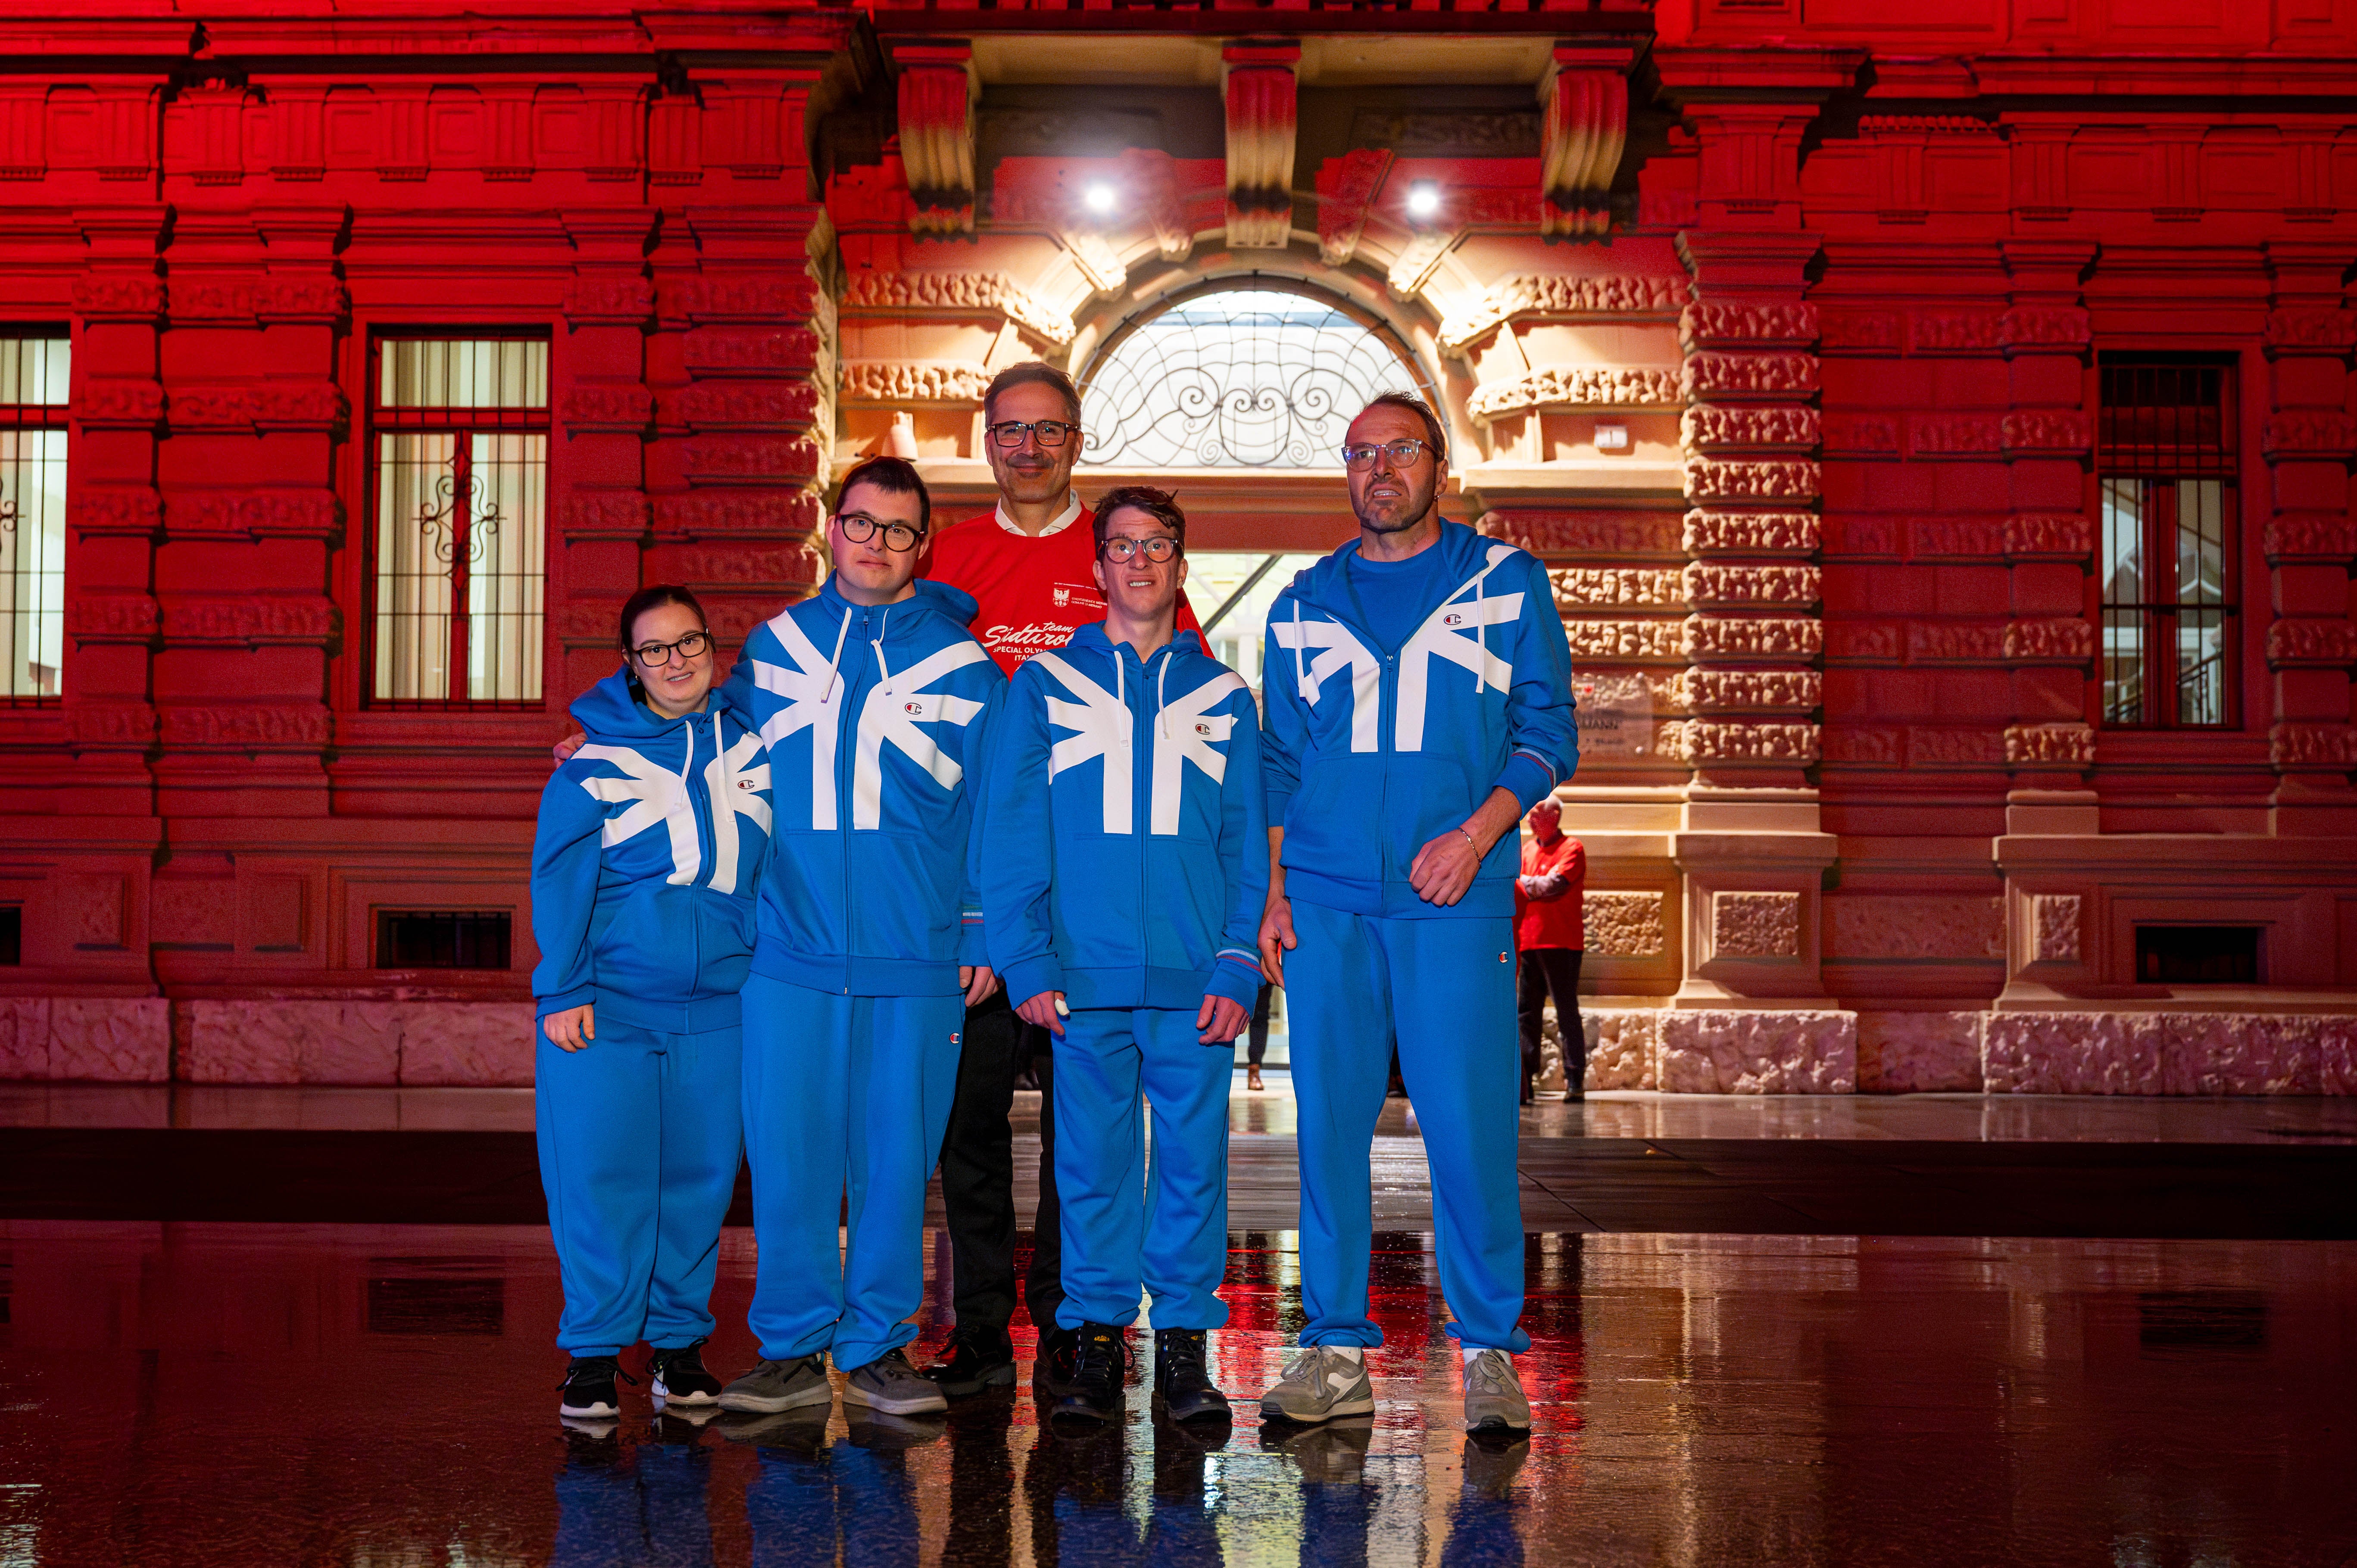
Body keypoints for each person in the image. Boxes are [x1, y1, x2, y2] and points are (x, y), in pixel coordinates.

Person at [1255, 393, 1578, 1434]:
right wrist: (1269, 891)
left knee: (1470, 1126)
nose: (1379, 468)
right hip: (1327, 900)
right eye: (1360, 453)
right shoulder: (1300, 604)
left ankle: (1486, 1351)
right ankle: (1335, 1345)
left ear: (1438, 463)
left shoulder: (1505, 583)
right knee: (1328, 1131)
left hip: (1453, 899)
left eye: (1399, 449)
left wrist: (1478, 833)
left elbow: (1549, 730)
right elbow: (1275, 763)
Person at [916, 363, 1199, 1402]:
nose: (1027, 447)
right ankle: (983, 1330)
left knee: (1094, 1130)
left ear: (1077, 439)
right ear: (985, 438)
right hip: (980, 898)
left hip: (1098, 914)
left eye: (1048, 430)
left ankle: (1078, 1320)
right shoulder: (941, 557)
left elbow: (1198, 718)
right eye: (1009, 430)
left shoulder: (1121, 557)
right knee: (971, 1123)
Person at [710, 455, 1006, 1420]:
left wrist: (981, 926)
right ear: (831, 529)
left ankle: (877, 1345)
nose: (876, 543)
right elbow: (703, 747)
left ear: (923, 544)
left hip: (915, 955)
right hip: (787, 953)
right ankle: (792, 1349)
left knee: (895, 1157)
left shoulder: (966, 665)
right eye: (860, 523)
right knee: (790, 1155)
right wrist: (610, 733)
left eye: (898, 530)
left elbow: (997, 810)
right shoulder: (774, 648)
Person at [981, 485, 1265, 1425]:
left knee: (1193, 1168)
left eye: (1158, 546)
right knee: (1091, 1168)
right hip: (1083, 980)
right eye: (1121, 546)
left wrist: (1235, 964)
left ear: (1181, 568)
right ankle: (1098, 1340)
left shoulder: (1225, 695)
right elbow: (1013, 832)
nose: (1139, 560)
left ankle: (1185, 1348)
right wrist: (1025, 958)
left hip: (1195, 986)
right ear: (1096, 567)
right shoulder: (1044, 687)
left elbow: (1242, 842)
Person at [531, 585, 773, 1421]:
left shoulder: (758, 747)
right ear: (629, 664)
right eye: (654, 649)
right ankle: (594, 1359)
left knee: (698, 1186)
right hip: (609, 1006)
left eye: (689, 643)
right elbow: (560, 878)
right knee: (602, 1180)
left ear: (714, 648)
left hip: (724, 1005)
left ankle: (677, 1349)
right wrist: (562, 987)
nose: (674, 661)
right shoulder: (592, 761)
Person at [1515, 798, 1587, 1104]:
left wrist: (1526, 883)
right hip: (1528, 940)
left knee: (1565, 1011)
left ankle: (1574, 1080)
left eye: (1535, 814)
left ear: (1554, 816)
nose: (1530, 820)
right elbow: (1526, 884)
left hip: (1561, 942)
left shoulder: (1573, 848)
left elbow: (1553, 884)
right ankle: (1525, 1082)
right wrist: (1531, 884)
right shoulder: (1527, 849)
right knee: (1526, 1014)